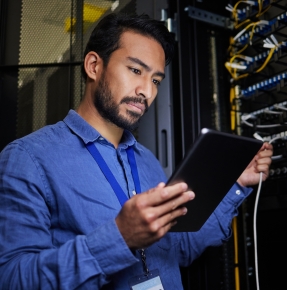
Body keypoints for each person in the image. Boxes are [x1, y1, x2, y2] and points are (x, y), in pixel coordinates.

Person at [0, 12, 273, 289]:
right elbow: (11, 279)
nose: (147, 91)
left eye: (156, 80)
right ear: (94, 66)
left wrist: (237, 183)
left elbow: (180, 249)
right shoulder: (28, 159)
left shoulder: (147, 161)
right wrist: (119, 238)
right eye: (135, 70)